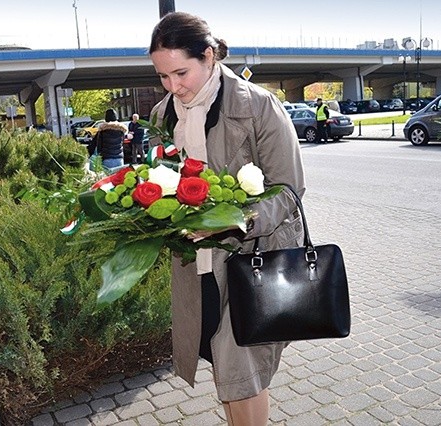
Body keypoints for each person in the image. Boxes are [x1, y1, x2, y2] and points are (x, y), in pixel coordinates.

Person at [148, 12, 305, 425]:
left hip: (250, 260)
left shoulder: (257, 105)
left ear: (209, 55)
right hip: (195, 263)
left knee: (243, 373)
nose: (173, 86)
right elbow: (161, 180)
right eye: (163, 76)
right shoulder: (164, 114)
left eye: (181, 72)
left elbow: (288, 190)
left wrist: (234, 220)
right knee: (223, 365)